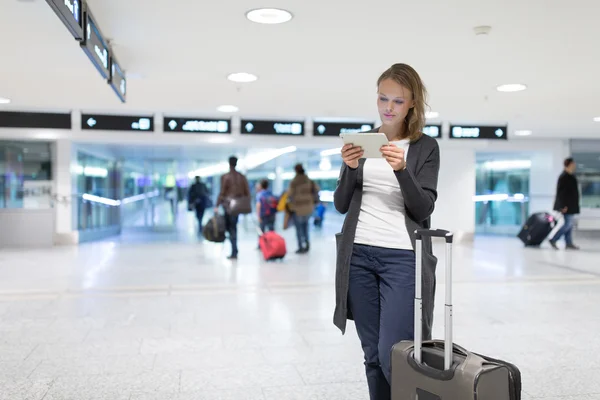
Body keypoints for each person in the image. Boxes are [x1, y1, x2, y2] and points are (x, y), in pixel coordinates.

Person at [333, 63, 441, 400]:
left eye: (397, 101)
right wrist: (350, 168)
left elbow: (423, 209)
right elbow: (340, 204)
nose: (388, 107)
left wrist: (402, 170)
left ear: (411, 104)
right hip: (359, 255)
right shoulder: (362, 143)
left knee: (395, 352)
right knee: (372, 355)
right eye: (383, 98)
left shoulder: (424, 147)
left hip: (402, 258)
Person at [216, 156, 251, 260]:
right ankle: (234, 249)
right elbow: (247, 192)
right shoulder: (242, 177)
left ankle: (234, 250)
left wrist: (217, 205)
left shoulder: (225, 177)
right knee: (233, 227)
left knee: (230, 228)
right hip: (238, 206)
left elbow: (222, 192)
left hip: (228, 206)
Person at [549, 157, 580, 250]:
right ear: (569, 164)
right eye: (573, 164)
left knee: (569, 225)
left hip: (571, 205)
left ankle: (569, 243)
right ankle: (554, 239)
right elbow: (561, 193)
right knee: (568, 224)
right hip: (566, 205)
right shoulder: (564, 177)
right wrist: (563, 206)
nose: (574, 165)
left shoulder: (571, 176)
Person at [288, 163, 319, 254]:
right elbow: (316, 190)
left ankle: (300, 246)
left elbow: (290, 194)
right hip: (309, 207)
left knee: (299, 228)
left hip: (298, 208)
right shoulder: (308, 180)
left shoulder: (294, 181)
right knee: (306, 227)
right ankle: (307, 243)